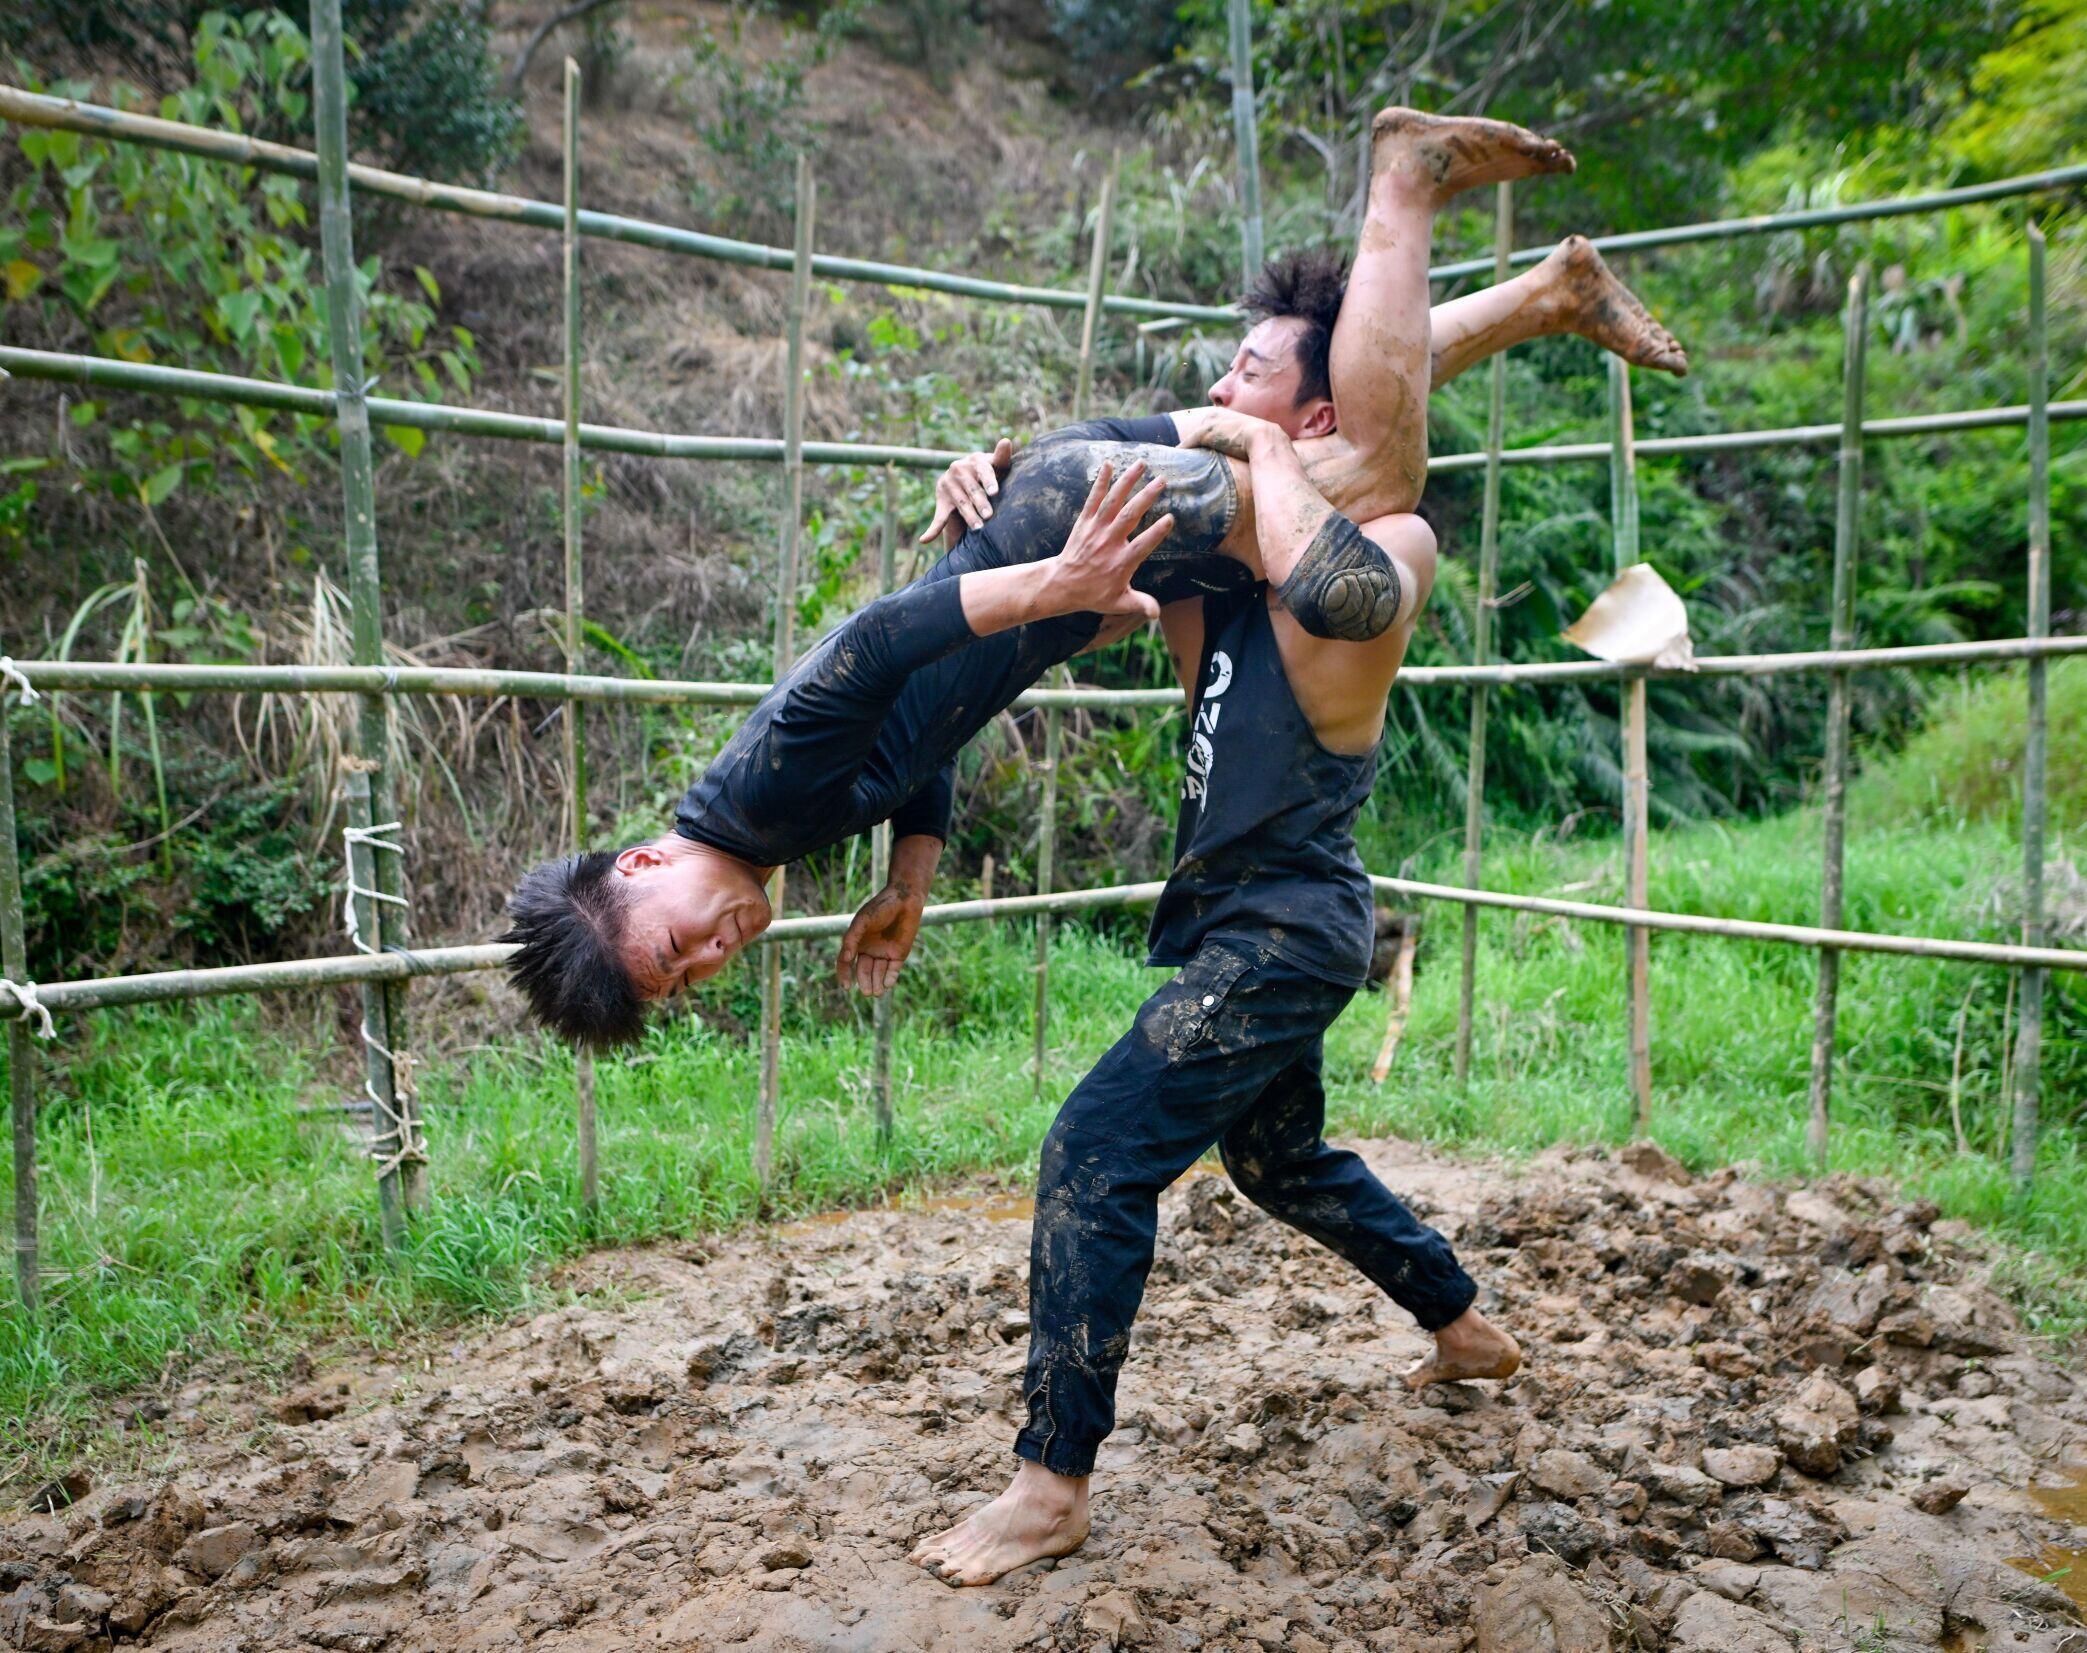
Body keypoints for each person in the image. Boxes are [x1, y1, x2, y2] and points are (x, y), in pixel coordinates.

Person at [503, 108, 1687, 1047]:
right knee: (1335, 451)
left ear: (644, 867)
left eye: (674, 950)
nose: (714, 957)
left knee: (1367, 473)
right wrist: (911, 873)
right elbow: (911, 729)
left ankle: (1405, 177)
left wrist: (1056, 587)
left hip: (1070, 521)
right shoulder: (763, 826)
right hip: (1053, 507)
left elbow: (873, 644)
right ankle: (1544, 296)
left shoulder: (751, 799)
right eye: (690, 983)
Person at [902, 112, 1540, 1591]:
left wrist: (1270, 441)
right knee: (1278, 1155)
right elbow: (1087, 538)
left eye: (1248, 373)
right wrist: (981, 479)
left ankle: (1050, 1482)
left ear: (1316, 423)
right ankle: (1462, 1324)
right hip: (1237, 924)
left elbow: (1349, 512)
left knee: (1095, 1151)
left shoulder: (1379, 560)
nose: (1213, 389)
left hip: (1289, 923)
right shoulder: (1212, 566)